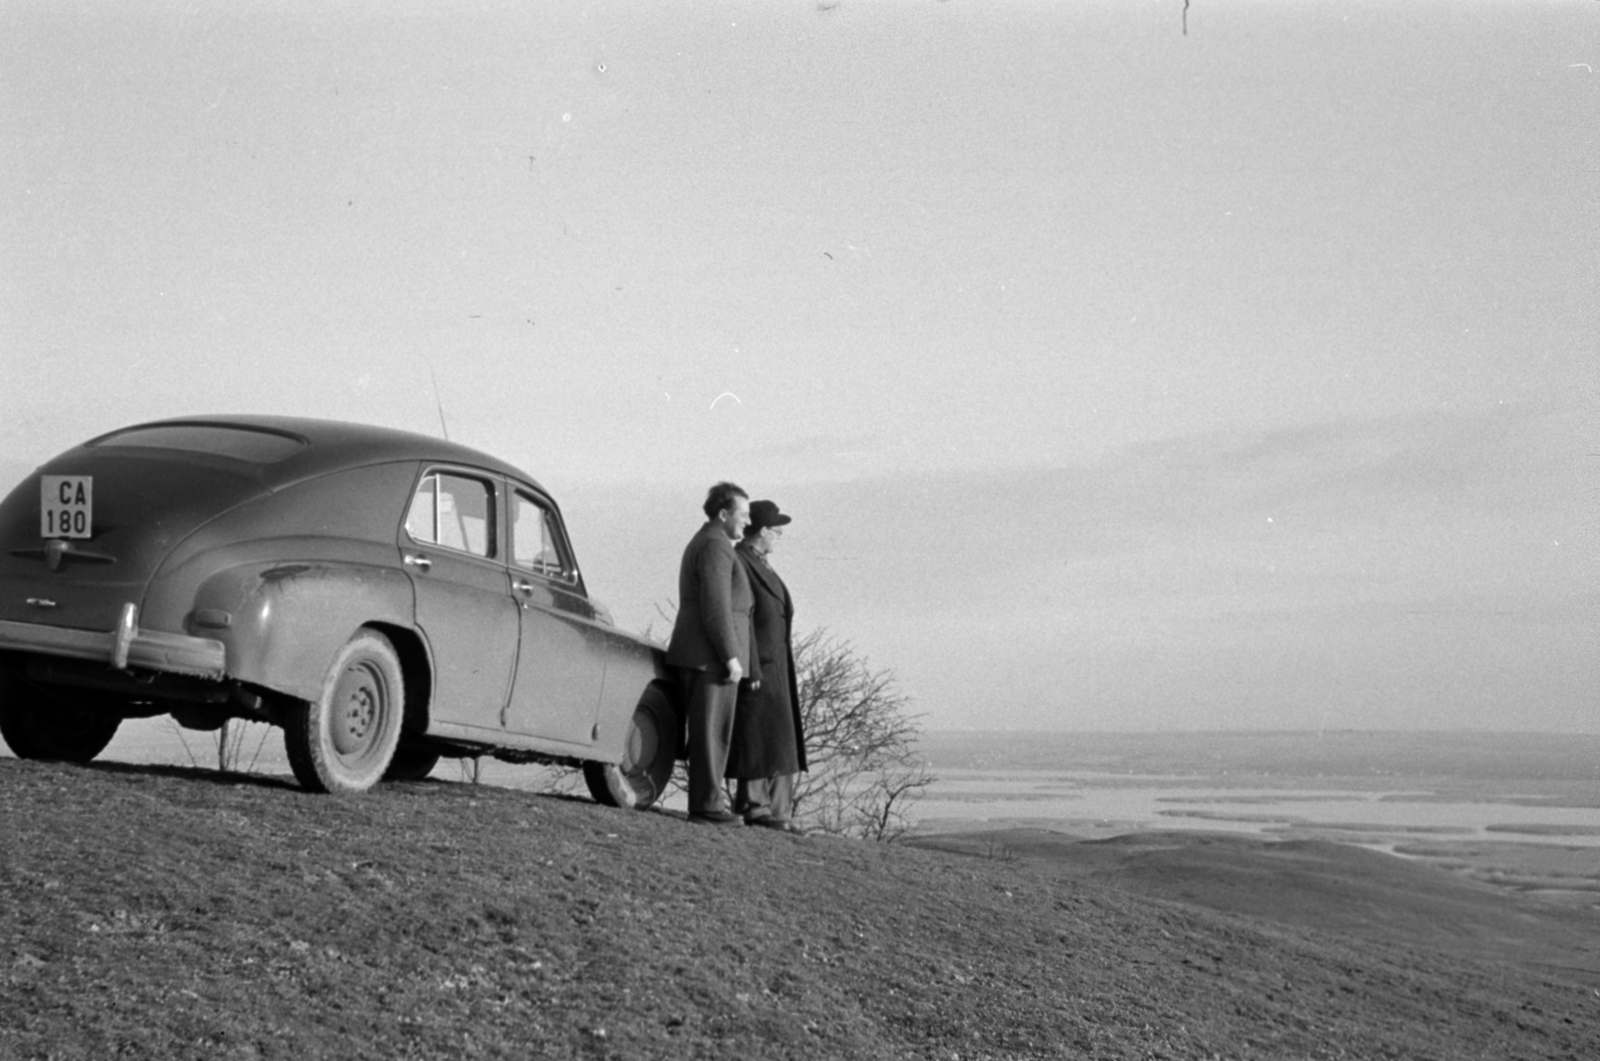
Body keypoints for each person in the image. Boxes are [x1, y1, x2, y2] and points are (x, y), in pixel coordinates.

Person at [666, 482, 760, 825]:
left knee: (713, 734)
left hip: (706, 656)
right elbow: (716, 607)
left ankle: (708, 803)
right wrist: (731, 656)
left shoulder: (712, 542)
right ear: (723, 514)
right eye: (743, 514)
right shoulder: (715, 546)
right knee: (710, 734)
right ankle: (707, 807)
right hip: (708, 658)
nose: (747, 523)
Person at [728, 500, 807, 831]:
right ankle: (757, 808)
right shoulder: (740, 562)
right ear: (762, 532)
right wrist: (751, 666)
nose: (779, 538)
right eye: (777, 532)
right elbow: (739, 617)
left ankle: (779, 814)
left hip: (776, 664)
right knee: (758, 739)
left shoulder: (757, 561)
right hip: (759, 664)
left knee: (780, 741)